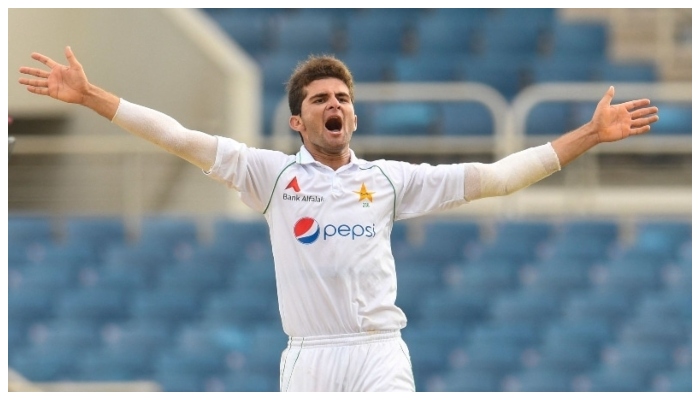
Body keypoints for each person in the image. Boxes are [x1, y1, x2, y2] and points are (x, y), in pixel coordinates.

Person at [18, 46, 659, 392]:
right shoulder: (271, 177)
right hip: (309, 361)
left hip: (380, 352)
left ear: (353, 117)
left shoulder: (387, 180)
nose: (335, 105)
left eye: (343, 99)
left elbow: (498, 178)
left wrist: (591, 134)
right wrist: (91, 96)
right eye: (321, 99)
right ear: (299, 121)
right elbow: (180, 137)